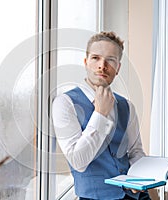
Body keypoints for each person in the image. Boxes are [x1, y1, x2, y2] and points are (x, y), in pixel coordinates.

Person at [52, 31, 150, 200]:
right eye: (96, 58)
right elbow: (78, 161)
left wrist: (137, 178)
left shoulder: (127, 106)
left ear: (118, 68)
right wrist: (100, 114)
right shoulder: (64, 103)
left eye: (110, 60)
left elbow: (135, 151)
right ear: (86, 62)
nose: (102, 66)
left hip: (136, 196)